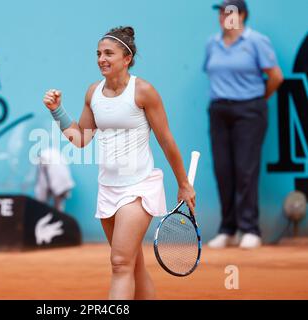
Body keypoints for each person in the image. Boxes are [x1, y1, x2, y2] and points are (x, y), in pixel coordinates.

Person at [43, 26, 196, 300]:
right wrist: (57, 111)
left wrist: (183, 184)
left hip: (139, 188)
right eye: (98, 53)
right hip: (108, 189)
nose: (101, 58)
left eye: (108, 53)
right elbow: (80, 139)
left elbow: (167, 141)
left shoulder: (144, 91)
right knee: (134, 266)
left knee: (119, 263)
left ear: (127, 58)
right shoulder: (93, 93)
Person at [204, 0, 284, 249]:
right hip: (219, 111)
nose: (223, 16)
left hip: (249, 110)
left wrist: (257, 100)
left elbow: (275, 77)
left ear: (243, 16)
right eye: (220, 12)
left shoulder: (256, 41)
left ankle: (250, 229)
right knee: (223, 170)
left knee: (245, 170)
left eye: (229, 12)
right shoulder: (212, 43)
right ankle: (227, 230)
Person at [34, 147, 75, 211]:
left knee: (56, 208)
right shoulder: (52, 155)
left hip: (61, 184)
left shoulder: (48, 157)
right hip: (62, 183)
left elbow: (42, 190)